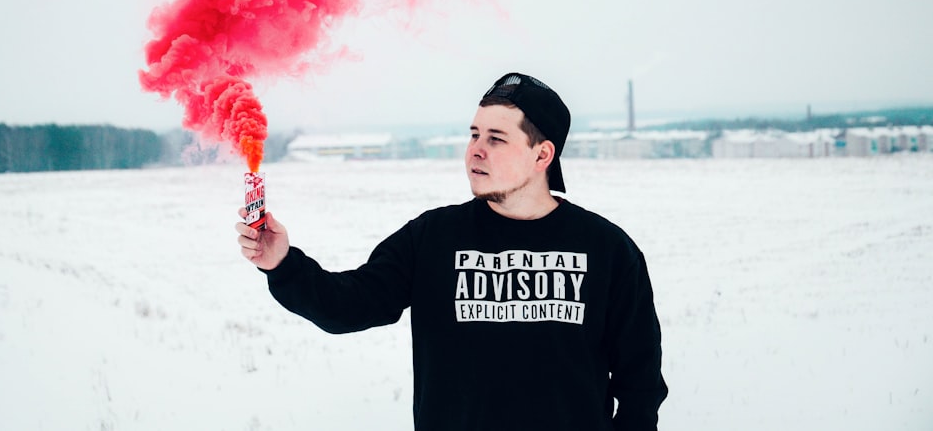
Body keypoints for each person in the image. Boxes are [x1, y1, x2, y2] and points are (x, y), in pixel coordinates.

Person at [235, 72, 668, 430]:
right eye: (474, 134)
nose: (475, 150)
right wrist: (283, 265)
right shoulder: (433, 238)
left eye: (496, 138)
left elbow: (639, 384)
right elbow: (347, 306)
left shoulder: (607, 250)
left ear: (542, 155)